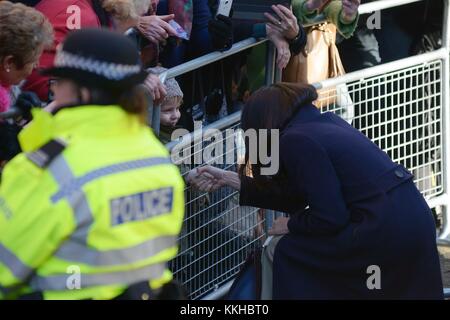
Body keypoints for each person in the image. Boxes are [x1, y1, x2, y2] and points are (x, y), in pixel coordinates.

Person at [188, 83, 444, 299]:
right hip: (411, 220)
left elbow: (330, 217)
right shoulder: (323, 123)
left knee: (285, 251)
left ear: (261, 125)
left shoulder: (295, 140)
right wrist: (233, 179)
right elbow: (302, 195)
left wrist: (292, 225)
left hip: (381, 231)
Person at [0, 29, 185, 300]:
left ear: (82, 91)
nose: (52, 87)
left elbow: (6, 271)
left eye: (59, 80)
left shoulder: (44, 171)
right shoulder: (154, 155)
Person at [23, 0, 170, 102]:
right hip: (48, 106)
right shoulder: (83, 16)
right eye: (127, 27)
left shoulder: (84, 9)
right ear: (118, 12)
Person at [0, 1, 53, 168]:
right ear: (9, 62)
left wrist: (17, 118)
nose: (37, 65)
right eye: (33, 60)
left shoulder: (7, 87)